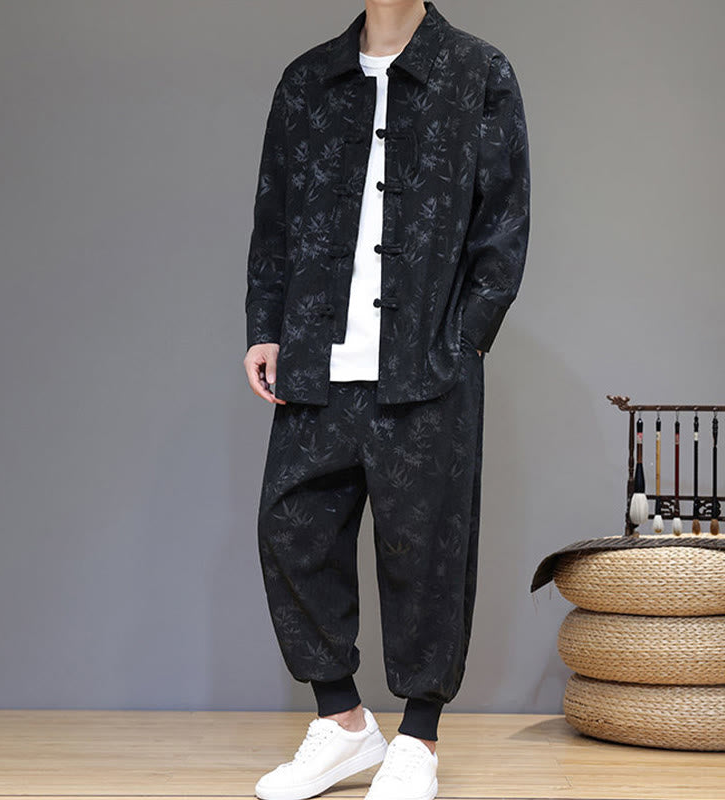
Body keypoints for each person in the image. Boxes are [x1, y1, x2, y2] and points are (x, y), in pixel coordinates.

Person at [243, 1, 530, 797]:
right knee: (291, 530)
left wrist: (466, 339)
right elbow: (274, 216)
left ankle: (418, 739)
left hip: (426, 366)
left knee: (427, 549)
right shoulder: (307, 80)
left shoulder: (478, 72)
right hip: (316, 360)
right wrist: (266, 327)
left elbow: (503, 223)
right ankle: (343, 725)